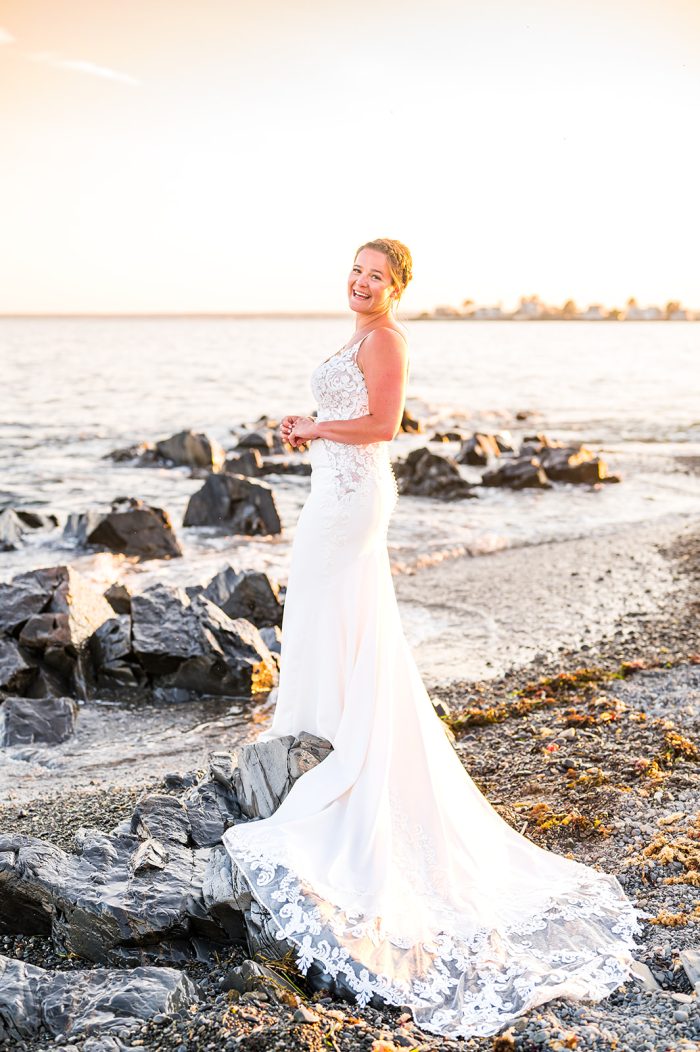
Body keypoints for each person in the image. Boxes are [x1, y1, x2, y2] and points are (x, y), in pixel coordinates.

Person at [222, 238, 642, 1039]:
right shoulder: (357, 337)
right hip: (333, 491)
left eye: (375, 276)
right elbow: (354, 418)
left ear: (397, 288)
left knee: (329, 606)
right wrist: (312, 430)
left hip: (352, 498)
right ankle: (318, 731)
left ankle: (335, 748)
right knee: (322, 613)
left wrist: (317, 425)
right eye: (356, 270)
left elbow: (382, 423)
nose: (360, 282)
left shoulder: (387, 340)